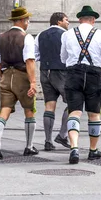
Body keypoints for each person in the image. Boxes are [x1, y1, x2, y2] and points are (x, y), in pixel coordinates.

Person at [60, 5, 101, 164]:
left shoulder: (68, 34)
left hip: (73, 74)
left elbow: (63, 58)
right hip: (94, 74)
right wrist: (99, 73)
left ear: (79, 19)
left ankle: (74, 147)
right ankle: (92, 150)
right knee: (94, 114)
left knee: (74, 112)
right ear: (93, 20)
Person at [0, 7, 38, 159]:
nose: (28, 23)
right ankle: (29, 146)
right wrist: (33, 82)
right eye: (27, 20)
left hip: (6, 76)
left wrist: (2, 75)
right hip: (22, 76)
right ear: (23, 21)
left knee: (4, 110)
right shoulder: (27, 37)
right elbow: (29, 61)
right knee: (29, 109)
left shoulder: (0, 37)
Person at [35, 12, 71, 151]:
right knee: (73, 102)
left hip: (45, 71)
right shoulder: (66, 35)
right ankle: (62, 134)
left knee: (49, 105)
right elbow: (70, 53)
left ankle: (48, 141)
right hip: (62, 72)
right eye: (66, 20)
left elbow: (36, 54)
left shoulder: (40, 35)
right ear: (58, 21)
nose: (68, 23)